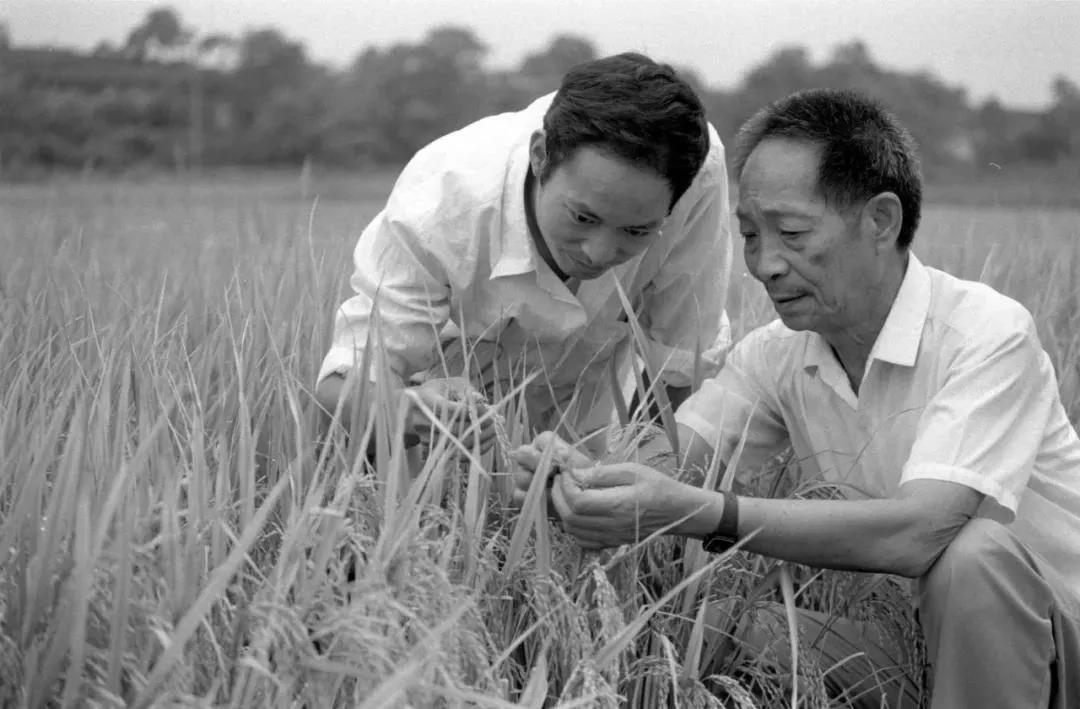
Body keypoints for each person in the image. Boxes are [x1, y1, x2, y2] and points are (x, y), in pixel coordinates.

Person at [512, 88, 1080, 707]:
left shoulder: (986, 332)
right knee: (717, 619)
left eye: (791, 232)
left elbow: (918, 535)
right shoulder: (776, 354)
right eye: (751, 235)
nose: (765, 264)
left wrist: (710, 514)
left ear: (881, 221)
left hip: (1051, 649)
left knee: (974, 555)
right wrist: (576, 476)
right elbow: (674, 460)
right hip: (914, 643)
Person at [315, 52, 732, 452]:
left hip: (590, 399)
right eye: (583, 218)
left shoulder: (696, 170)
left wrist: (642, 483)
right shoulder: (443, 201)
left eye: (637, 231)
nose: (599, 253)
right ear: (540, 155)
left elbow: (681, 357)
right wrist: (409, 412)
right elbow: (346, 382)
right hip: (452, 410)